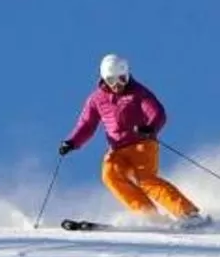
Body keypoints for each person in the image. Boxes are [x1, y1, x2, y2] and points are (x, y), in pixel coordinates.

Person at [59, 53, 203, 224]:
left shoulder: (138, 92)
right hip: (117, 150)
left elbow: (157, 113)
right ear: (104, 79)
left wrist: (150, 128)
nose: (118, 84)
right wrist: (72, 142)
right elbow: (87, 125)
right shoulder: (96, 99)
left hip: (142, 145)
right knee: (110, 174)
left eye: (122, 78)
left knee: (146, 180)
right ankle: (148, 215)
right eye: (112, 80)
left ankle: (188, 213)